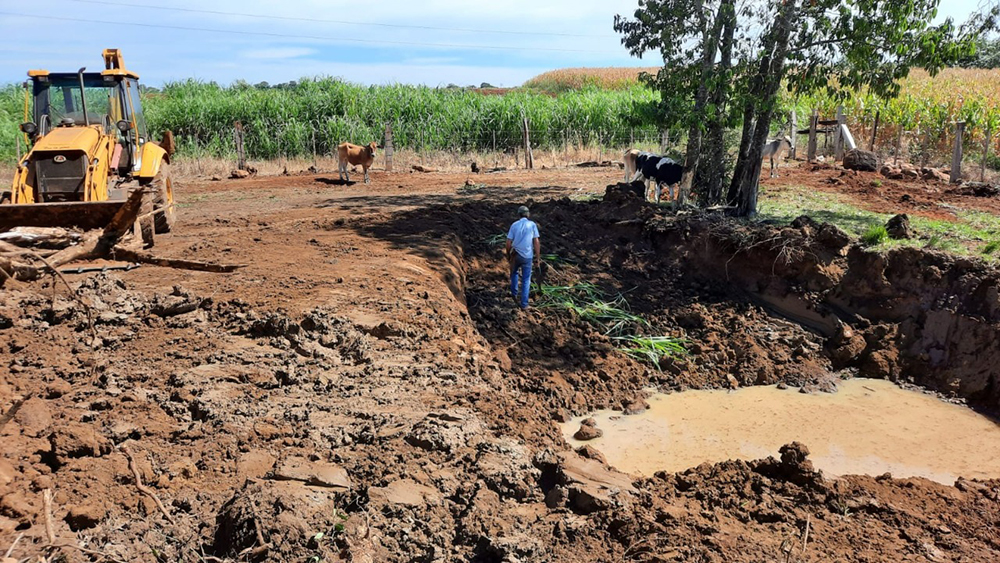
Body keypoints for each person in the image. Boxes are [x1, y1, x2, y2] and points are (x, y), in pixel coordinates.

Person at [505, 205, 540, 310]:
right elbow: (536, 242)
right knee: (526, 279)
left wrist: (508, 254)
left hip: (516, 254)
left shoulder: (514, 225)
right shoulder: (532, 225)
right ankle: (524, 304)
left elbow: (508, 242)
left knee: (514, 273)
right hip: (527, 256)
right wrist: (537, 257)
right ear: (528, 214)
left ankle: (514, 293)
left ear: (518, 214)